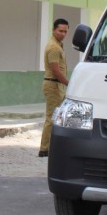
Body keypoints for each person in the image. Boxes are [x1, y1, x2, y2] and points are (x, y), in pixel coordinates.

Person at [39, 19, 70, 158]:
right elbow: (56, 71)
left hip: (57, 85)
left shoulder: (58, 45)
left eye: (65, 31)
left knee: (58, 117)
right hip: (53, 85)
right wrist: (69, 83)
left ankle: (52, 146)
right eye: (60, 31)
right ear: (53, 30)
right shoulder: (53, 47)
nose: (63, 34)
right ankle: (45, 149)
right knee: (52, 118)